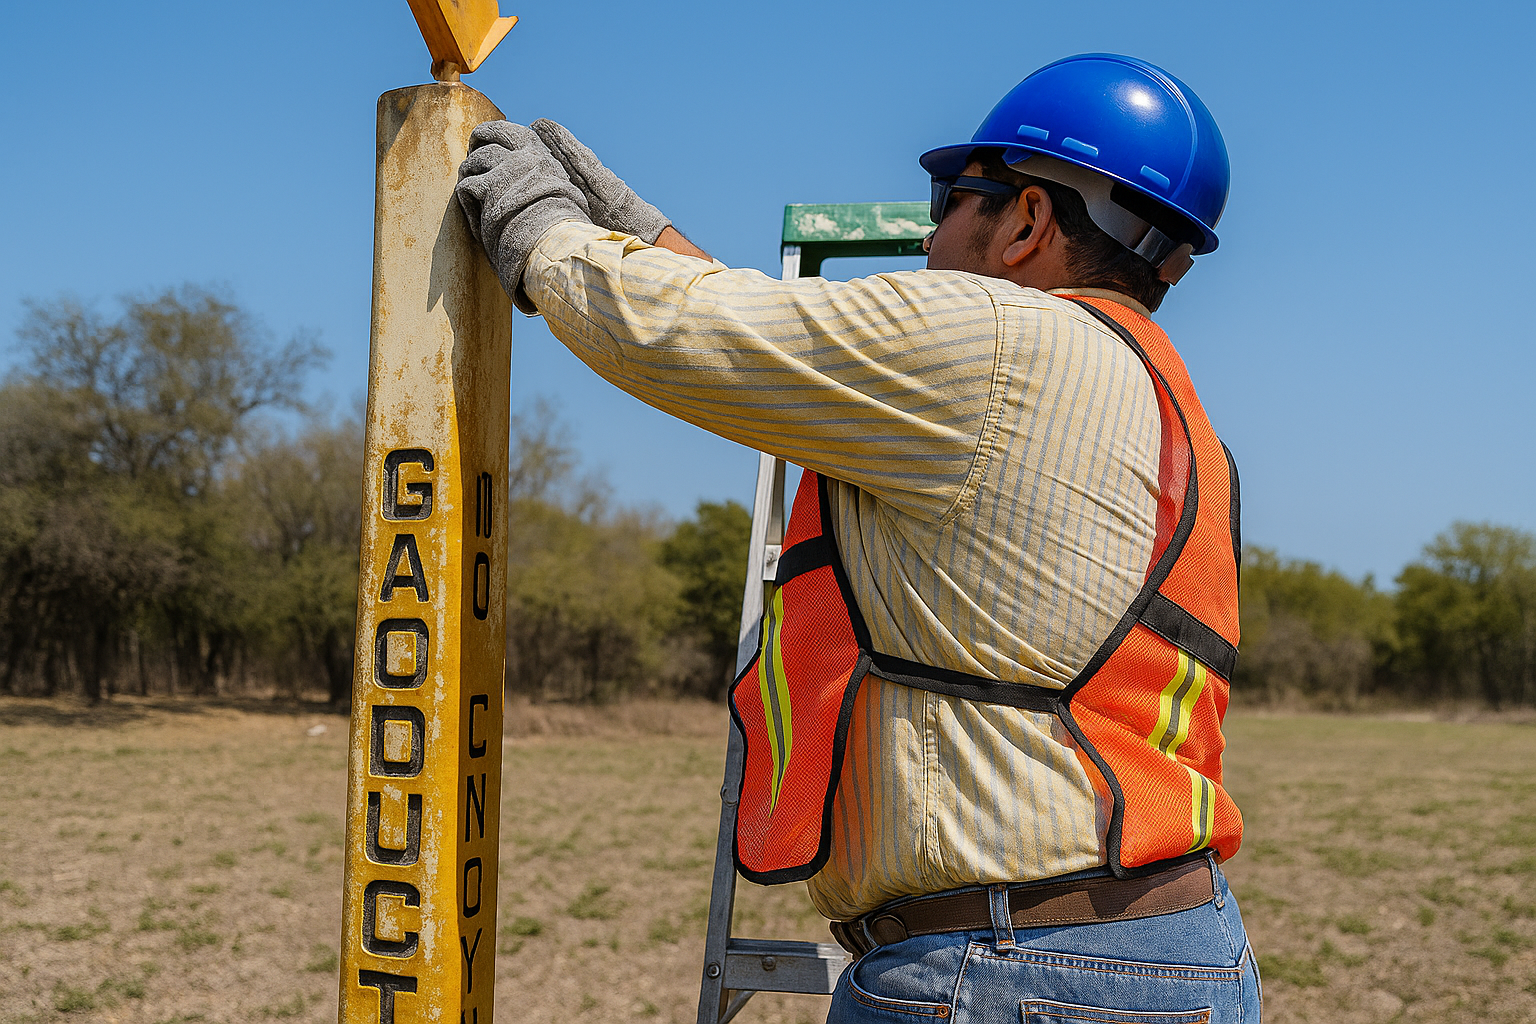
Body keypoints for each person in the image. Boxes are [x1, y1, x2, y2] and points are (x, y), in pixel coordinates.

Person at [456, 52, 1260, 1024]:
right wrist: (638, 227)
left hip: (1006, 968)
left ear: (1029, 222)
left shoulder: (996, 337)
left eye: (953, 195)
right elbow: (781, 343)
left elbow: (688, 332)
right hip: (1173, 950)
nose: (929, 230)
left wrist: (542, 234)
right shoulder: (1166, 410)